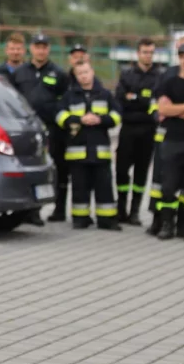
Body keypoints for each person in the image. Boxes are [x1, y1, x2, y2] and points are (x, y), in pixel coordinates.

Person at [54, 60, 122, 230]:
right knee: (79, 188)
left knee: (104, 188)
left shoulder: (104, 94)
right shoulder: (69, 96)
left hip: (101, 153)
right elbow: (59, 116)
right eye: (80, 73)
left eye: (86, 72)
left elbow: (117, 115)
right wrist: (79, 119)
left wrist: (100, 120)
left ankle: (106, 220)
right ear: (76, 76)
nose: (84, 76)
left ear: (92, 72)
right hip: (77, 154)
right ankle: (80, 219)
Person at [13, 34, 70, 224]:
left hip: (53, 130)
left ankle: (60, 209)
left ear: (48, 49)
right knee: (32, 169)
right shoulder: (20, 72)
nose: (41, 50)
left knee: (57, 169)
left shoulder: (59, 74)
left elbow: (66, 101)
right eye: (37, 47)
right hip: (27, 130)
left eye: (44, 47)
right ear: (31, 49)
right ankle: (32, 211)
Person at [114, 38, 161, 225]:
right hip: (128, 130)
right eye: (144, 52)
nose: (147, 55)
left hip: (148, 131)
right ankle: (121, 209)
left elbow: (157, 104)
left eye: (150, 52)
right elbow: (120, 99)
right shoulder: (126, 75)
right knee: (122, 170)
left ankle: (135, 211)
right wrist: (144, 100)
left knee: (142, 172)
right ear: (138, 53)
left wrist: (134, 98)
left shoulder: (159, 77)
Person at [154, 43, 184, 240]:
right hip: (172, 140)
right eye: (182, 56)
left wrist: (177, 109)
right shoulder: (169, 82)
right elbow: (163, 110)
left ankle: (183, 225)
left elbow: (171, 109)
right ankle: (167, 224)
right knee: (168, 186)